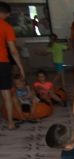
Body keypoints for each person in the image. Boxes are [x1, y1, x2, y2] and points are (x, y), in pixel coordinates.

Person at [0, 2, 25, 130]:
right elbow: (13, 51)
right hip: (2, 63)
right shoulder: (7, 27)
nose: (8, 16)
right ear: (5, 13)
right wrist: (20, 67)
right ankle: (10, 123)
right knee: (6, 94)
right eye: (8, 14)